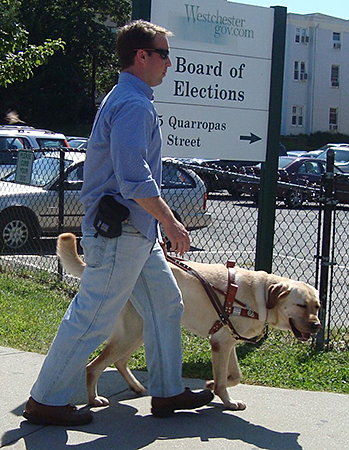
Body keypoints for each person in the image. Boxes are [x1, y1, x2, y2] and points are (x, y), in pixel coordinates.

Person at [23, 19, 213, 426]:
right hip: (121, 232)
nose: (169, 63)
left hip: (134, 233)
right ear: (142, 56)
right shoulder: (132, 104)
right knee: (91, 316)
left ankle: (167, 392)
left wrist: (154, 227)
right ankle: (45, 400)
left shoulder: (130, 98)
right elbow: (134, 178)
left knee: (166, 305)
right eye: (163, 54)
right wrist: (172, 223)